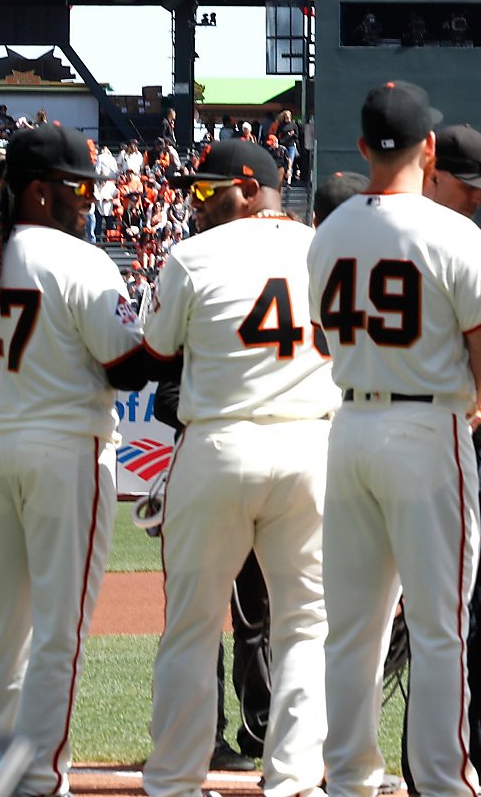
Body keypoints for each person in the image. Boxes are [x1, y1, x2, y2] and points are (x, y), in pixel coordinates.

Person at [306, 82, 481, 797]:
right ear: (430, 149)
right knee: (440, 623)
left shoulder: (326, 232)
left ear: (363, 146)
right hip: (428, 427)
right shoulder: (453, 232)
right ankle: (443, 781)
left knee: (351, 627)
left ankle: (350, 777)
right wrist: (475, 399)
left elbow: (327, 340)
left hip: (352, 423)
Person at [0, 124, 149, 796]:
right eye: (77, 188)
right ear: (39, 191)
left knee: (8, 623)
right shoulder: (79, 260)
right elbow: (126, 370)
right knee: (60, 628)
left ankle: (0, 766)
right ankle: (38, 778)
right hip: (66, 447)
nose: (89, 201)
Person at [142, 141, 338, 797]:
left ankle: (173, 779)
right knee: (307, 622)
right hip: (310, 444)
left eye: (207, 190)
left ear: (249, 187)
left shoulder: (191, 256)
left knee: (191, 623)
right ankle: (293, 778)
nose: (195, 203)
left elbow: (160, 348)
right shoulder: (327, 247)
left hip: (220, 443)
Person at [419, 121, 481, 795]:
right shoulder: (428, 237)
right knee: (427, 616)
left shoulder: (461, 241)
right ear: (430, 170)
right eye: (469, 183)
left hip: (465, 442)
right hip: (424, 434)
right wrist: (472, 394)